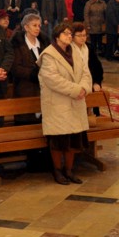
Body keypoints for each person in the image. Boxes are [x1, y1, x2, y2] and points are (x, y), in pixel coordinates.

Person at [38, 23, 92, 185]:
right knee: (58, 140)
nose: (69, 36)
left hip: (75, 101)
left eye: (70, 34)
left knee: (73, 138)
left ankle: (69, 170)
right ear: (57, 36)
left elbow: (85, 72)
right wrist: (76, 90)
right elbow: (53, 80)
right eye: (66, 33)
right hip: (58, 103)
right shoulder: (49, 55)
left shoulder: (75, 51)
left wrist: (84, 88)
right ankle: (57, 171)